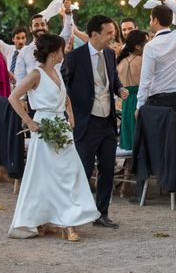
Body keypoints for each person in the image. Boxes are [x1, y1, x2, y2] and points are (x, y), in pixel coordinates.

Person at [7, 34, 99, 241]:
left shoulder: (56, 71)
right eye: (61, 49)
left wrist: (71, 114)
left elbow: (64, 97)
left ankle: (64, 220)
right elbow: (13, 97)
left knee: (70, 173)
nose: (63, 52)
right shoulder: (35, 74)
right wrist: (29, 121)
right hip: (43, 127)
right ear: (52, 52)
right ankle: (59, 222)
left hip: (61, 127)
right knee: (47, 177)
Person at [62, 15, 128, 229]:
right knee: (84, 169)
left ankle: (101, 213)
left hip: (107, 121)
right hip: (85, 121)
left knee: (108, 168)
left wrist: (119, 89)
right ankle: (78, 213)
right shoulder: (74, 57)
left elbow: (113, 79)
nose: (113, 36)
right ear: (94, 34)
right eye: (109, 32)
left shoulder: (110, 54)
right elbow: (63, 86)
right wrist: (69, 114)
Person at [136, 0, 176, 151]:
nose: (150, 22)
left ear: (155, 20)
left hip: (157, 103)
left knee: (160, 147)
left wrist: (139, 105)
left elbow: (146, 80)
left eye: (150, 19)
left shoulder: (151, 46)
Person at [15, 12, 72, 83]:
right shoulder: (24, 51)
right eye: (36, 25)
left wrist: (68, 14)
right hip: (34, 92)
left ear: (47, 27)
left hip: (56, 89)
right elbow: (20, 77)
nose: (40, 27)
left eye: (42, 24)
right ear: (30, 29)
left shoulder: (55, 44)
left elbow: (67, 33)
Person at [116, 30, 148, 151]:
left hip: (126, 100)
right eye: (146, 43)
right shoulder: (143, 61)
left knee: (129, 134)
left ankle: (129, 164)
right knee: (140, 137)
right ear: (138, 46)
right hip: (139, 100)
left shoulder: (121, 62)